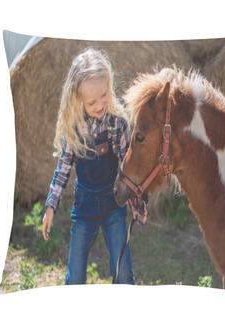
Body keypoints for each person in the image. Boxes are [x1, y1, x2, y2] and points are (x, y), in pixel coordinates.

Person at [42, 48, 146, 285]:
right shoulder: (73, 128)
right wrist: (50, 206)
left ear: (109, 84)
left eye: (104, 94)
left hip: (113, 207)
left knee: (123, 274)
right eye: (91, 101)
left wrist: (137, 203)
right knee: (75, 277)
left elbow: (127, 170)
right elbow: (63, 170)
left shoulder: (118, 124)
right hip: (84, 210)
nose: (100, 104)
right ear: (78, 99)